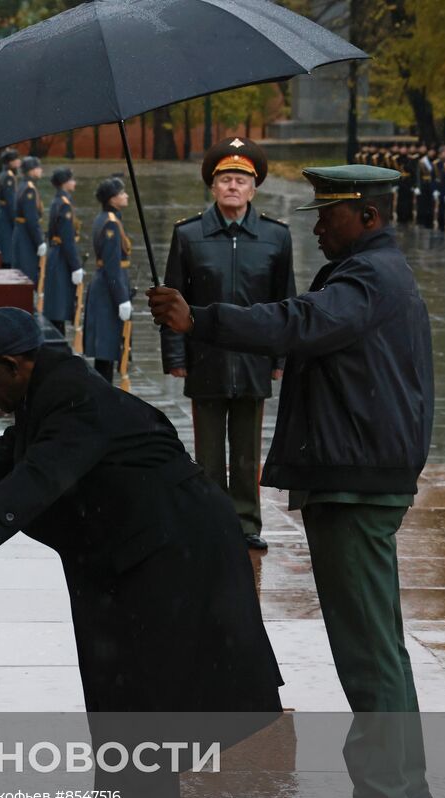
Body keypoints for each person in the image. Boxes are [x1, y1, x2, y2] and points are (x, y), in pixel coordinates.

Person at [0, 307, 282, 798]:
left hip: (172, 550)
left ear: (15, 364)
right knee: (110, 684)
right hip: (126, 551)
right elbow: (7, 457)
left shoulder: (74, 397)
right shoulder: (46, 392)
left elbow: (42, 474)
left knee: (143, 692)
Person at [148, 165, 437, 798]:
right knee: (374, 643)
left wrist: (203, 319)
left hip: (356, 480)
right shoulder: (372, 271)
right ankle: (398, 791)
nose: (316, 224)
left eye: (328, 213)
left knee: (367, 648)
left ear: (366, 215)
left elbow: (299, 322)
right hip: (359, 473)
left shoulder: (366, 278)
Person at [159, 138, 295, 552]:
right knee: (209, 452)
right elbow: (172, 298)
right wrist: (176, 355)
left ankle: (247, 521)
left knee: (247, 451)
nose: (233, 187)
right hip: (206, 358)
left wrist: (280, 357)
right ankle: (212, 520)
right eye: (225, 180)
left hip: (253, 358)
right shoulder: (188, 235)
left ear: (254, 189)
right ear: (212, 187)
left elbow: (283, 302)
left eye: (241, 180)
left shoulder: (276, 237)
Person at [82, 177, 133, 382]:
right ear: (112, 199)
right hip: (108, 290)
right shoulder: (111, 224)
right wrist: (122, 299)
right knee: (107, 347)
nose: (126, 196)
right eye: (122, 193)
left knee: (106, 349)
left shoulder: (105, 217)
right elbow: (112, 268)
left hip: (104, 286)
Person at [39, 167, 84, 335]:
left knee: (58, 305)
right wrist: (76, 266)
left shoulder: (59, 201)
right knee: (59, 307)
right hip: (61, 259)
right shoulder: (64, 205)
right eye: (71, 180)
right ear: (65, 183)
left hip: (56, 254)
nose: (74, 183)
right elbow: (67, 239)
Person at [9, 157, 45, 292]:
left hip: (21, 233)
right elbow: (32, 219)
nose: (41, 170)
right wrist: (39, 241)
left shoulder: (23, 185)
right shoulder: (29, 189)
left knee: (21, 271)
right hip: (26, 237)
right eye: (38, 168)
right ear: (31, 170)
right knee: (27, 272)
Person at [0, 150, 21, 266]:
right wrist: (15, 222)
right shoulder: (9, 177)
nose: (18, 162)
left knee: (4, 248)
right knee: (6, 251)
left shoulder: (5, 174)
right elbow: (11, 202)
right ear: (10, 162)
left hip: (2, 214)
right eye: (16, 160)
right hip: (6, 218)